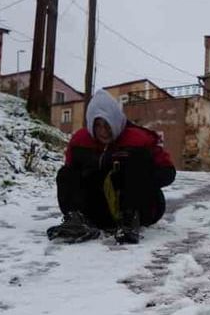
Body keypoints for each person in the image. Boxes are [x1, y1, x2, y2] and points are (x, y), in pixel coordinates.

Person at [45, 90, 176, 245]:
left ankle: (129, 220)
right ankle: (78, 220)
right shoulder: (80, 141)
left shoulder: (139, 139)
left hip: (141, 208)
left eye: (107, 125)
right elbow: (70, 178)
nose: (103, 131)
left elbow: (168, 172)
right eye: (98, 125)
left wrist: (134, 179)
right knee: (66, 173)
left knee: (134, 162)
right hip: (98, 210)